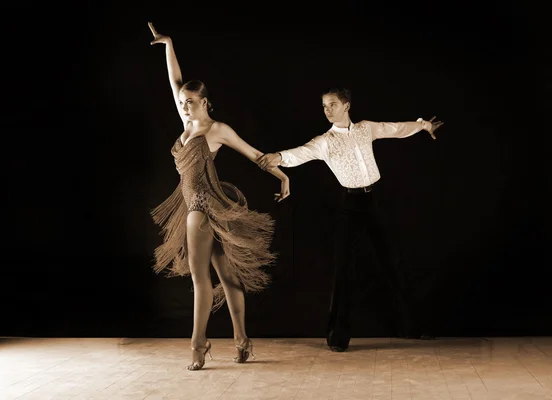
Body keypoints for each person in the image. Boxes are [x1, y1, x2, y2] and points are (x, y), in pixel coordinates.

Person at [147, 22, 290, 370]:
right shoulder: (187, 125)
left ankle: (199, 346)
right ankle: (242, 342)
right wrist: (168, 44)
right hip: (197, 207)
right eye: (182, 102)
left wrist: (282, 174)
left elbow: (254, 154)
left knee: (202, 280)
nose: (184, 105)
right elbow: (174, 80)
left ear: (205, 101)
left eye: (191, 101)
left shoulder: (216, 129)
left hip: (201, 207)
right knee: (226, 279)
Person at [257, 87, 443, 352]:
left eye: (332, 104)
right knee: (343, 269)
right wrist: (278, 157)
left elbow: (395, 128)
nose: (327, 110)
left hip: (377, 201)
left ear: (346, 106)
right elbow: (301, 152)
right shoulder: (324, 141)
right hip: (351, 205)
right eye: (323, 106)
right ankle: (337, 337)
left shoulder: (366, 128)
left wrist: (423, 125)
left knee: (394, 262)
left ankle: (412, 327)